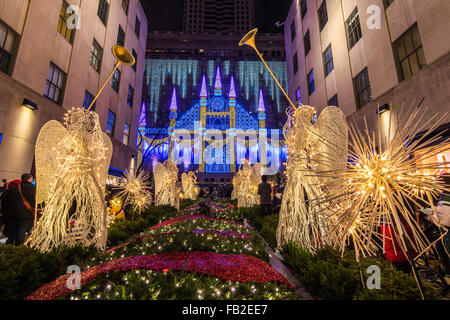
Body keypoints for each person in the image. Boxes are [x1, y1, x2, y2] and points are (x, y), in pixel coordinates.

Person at [2, 174, 36, 245]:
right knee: (22, 231)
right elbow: (34, 201)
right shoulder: (33, 189)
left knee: (11, 232)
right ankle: (19, 247)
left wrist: (5, 213)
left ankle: (8, 247)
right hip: (26, 215)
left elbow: (4, 201)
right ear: (30, 179)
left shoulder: (13, 188)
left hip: (12, 215)